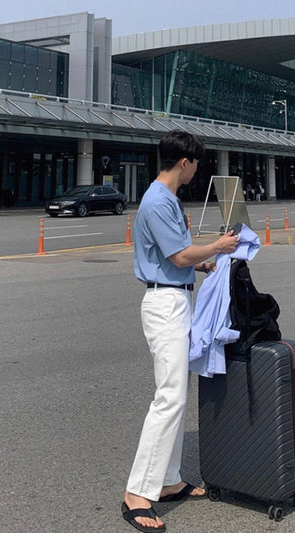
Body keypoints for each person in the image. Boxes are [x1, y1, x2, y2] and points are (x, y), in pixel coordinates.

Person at [122, 130, 239, 533]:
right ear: (184, 162)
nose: (196, 171)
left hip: (175, 297)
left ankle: (168, 479)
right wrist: (218, 247)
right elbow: (178, 255)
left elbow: (178, 259)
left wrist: (203, 264)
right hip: (165, 303)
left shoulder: (167, 199)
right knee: (169, 396)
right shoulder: (158, 201)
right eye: (195, 164)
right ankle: (137, 493)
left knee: (177, 394)